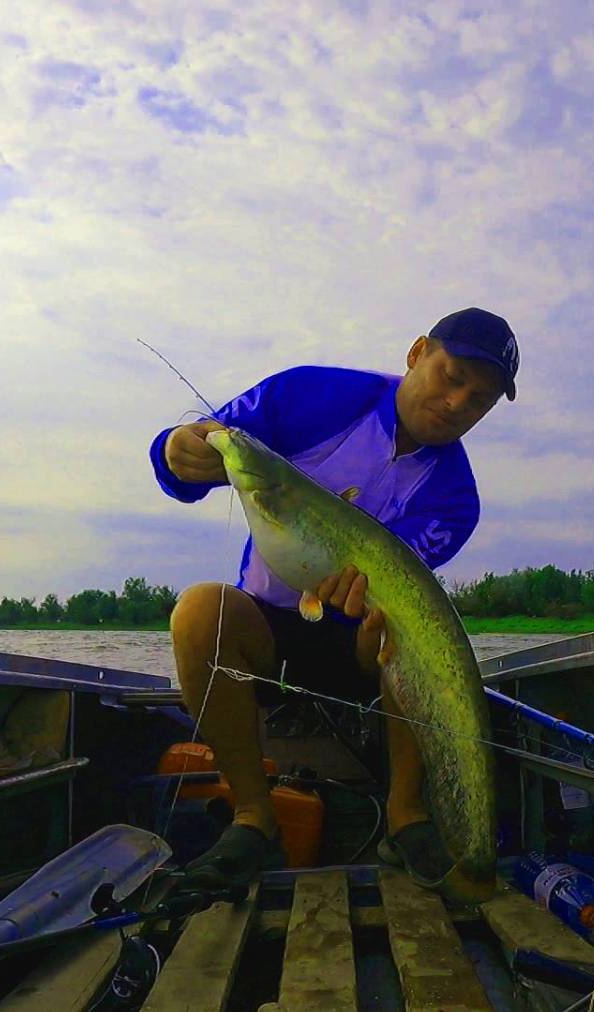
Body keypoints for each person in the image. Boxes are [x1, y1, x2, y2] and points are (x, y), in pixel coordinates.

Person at [148, 307, 519, 894]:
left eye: (478, 401)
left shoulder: (457, 502)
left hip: (359, 641)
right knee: (199, 612)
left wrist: (357, 604)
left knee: (408, 635)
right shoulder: (310, 394)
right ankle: (252, 818)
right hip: (268, 623)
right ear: (417, 351)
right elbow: (204, 447)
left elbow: (398, 584)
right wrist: (175, 451)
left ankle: (405, 816)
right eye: (451, 376)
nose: (456, 404)